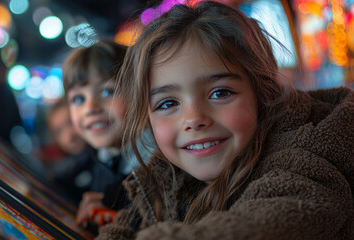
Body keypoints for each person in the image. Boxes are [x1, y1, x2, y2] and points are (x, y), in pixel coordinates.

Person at [96, 1, 354, 240]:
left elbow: (266, 221)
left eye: (220, 93)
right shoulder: (163, 178)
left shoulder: (305, 164)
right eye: (168, 103)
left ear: (262, 94)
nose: (194, 119)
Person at [62, 40, 155, 229]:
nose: (90, 108)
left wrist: (114, 221)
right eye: (79, 98)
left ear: (138, 93)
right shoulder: (104, 156)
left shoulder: (157, 164)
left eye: (107, 91)